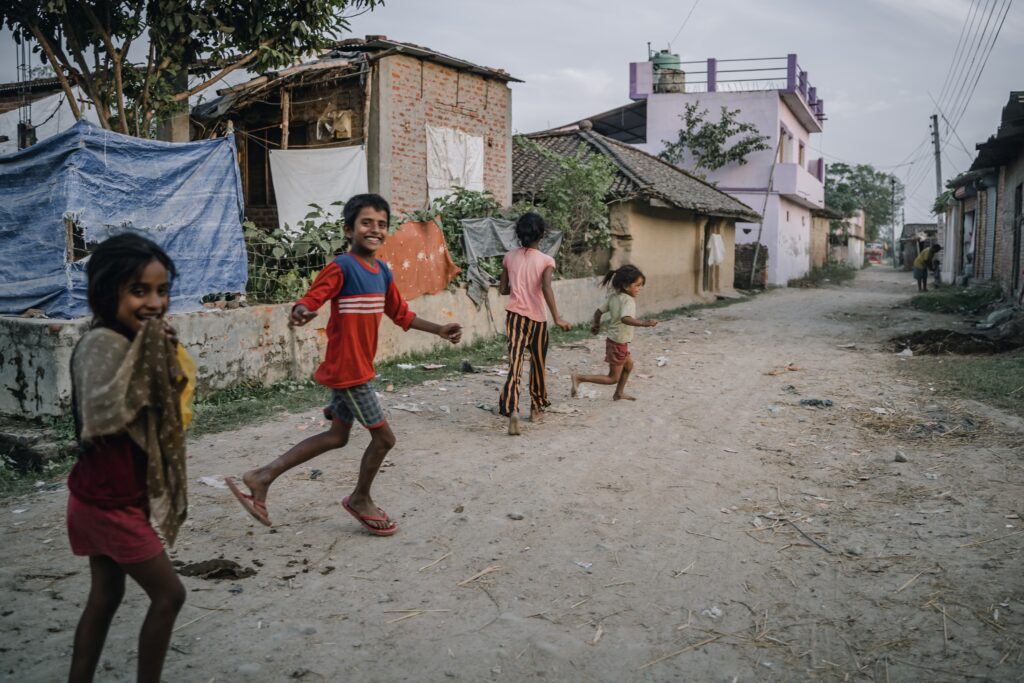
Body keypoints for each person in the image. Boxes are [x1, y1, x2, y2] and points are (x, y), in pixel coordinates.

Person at [227, 194, 462, 536]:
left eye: (382, 224)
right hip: (350, 373)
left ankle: (262, 477)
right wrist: (302, 310)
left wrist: (439, 329)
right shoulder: (342, 266)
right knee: (384, 440)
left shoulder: (381, 271)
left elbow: (401, 314)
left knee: (337, 436)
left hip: (354, 369)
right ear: (348, 229)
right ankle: (360, 499)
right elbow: (312, 298)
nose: (375, 230)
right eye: (366, 223)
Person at [66, 234, 192, 683]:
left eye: (162, 290)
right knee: (170, 595)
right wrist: (151, 356)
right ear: (107, 291)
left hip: (106, 495)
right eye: (139, 291)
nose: (154, 302)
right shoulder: (101, 345)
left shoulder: (131, 340)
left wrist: (157, 352)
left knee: (105, 596)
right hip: (107, 503)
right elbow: (106, 413)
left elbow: (165, 396)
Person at [496, 212, 571, 436]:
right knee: (538, 363)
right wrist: (557, 317)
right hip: (537, 319)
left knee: (515, 364)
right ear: (542, 235)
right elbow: (546, 288)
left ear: (519, 234)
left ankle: (512, 410)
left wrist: (517, 287)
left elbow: (502, 289)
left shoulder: (509, 257)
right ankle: (536, 408)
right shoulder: (547, 261)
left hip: (515, 317)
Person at [571, 265, 658, 401]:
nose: (640, 288)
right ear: (625, 285)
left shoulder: (614, 296)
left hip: (615, 340)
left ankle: (619, 393)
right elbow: (625, 318)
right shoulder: (628, 300)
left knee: (628, 365)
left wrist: (596, 325)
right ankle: (579, 378)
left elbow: (598, 312)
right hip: (618, 342)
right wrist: (645, 323)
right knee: (612, 378)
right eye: (637, 285)